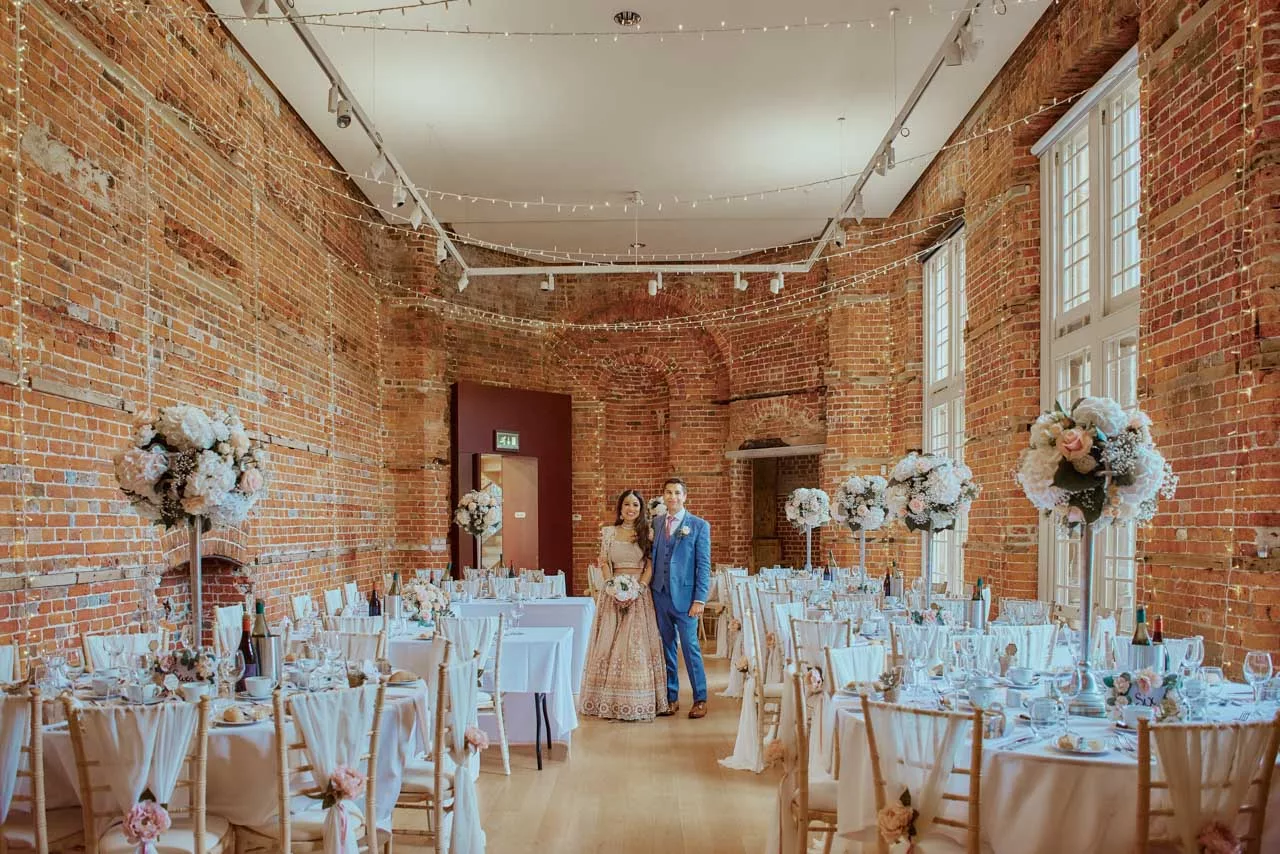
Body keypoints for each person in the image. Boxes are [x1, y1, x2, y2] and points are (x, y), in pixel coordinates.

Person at [579, 490, 669, 721]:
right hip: (612, 593)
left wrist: (638, 588)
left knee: (633, 646)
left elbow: (650, 565)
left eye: (636, 505)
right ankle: (606, 700)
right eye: (627, 504)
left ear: (641, 510)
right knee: (610, 644)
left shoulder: (647, 533)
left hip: (639, 594)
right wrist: (611, 586)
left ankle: (636, 700)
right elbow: (604, 562)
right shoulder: (609, 533)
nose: (631, 509)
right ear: (620, 508)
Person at [649, 477, 711, 719]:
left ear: (685, 496)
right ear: (663, 496)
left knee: (690, 648)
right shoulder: (656, 523)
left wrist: (700, 599)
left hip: (686, 599)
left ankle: (700, 698)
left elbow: (703, 566)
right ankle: (670, 697)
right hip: (660, 594)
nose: (672, 496)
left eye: (677, 493)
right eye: (668, 492)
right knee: (666, 648)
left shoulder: (698, 526)